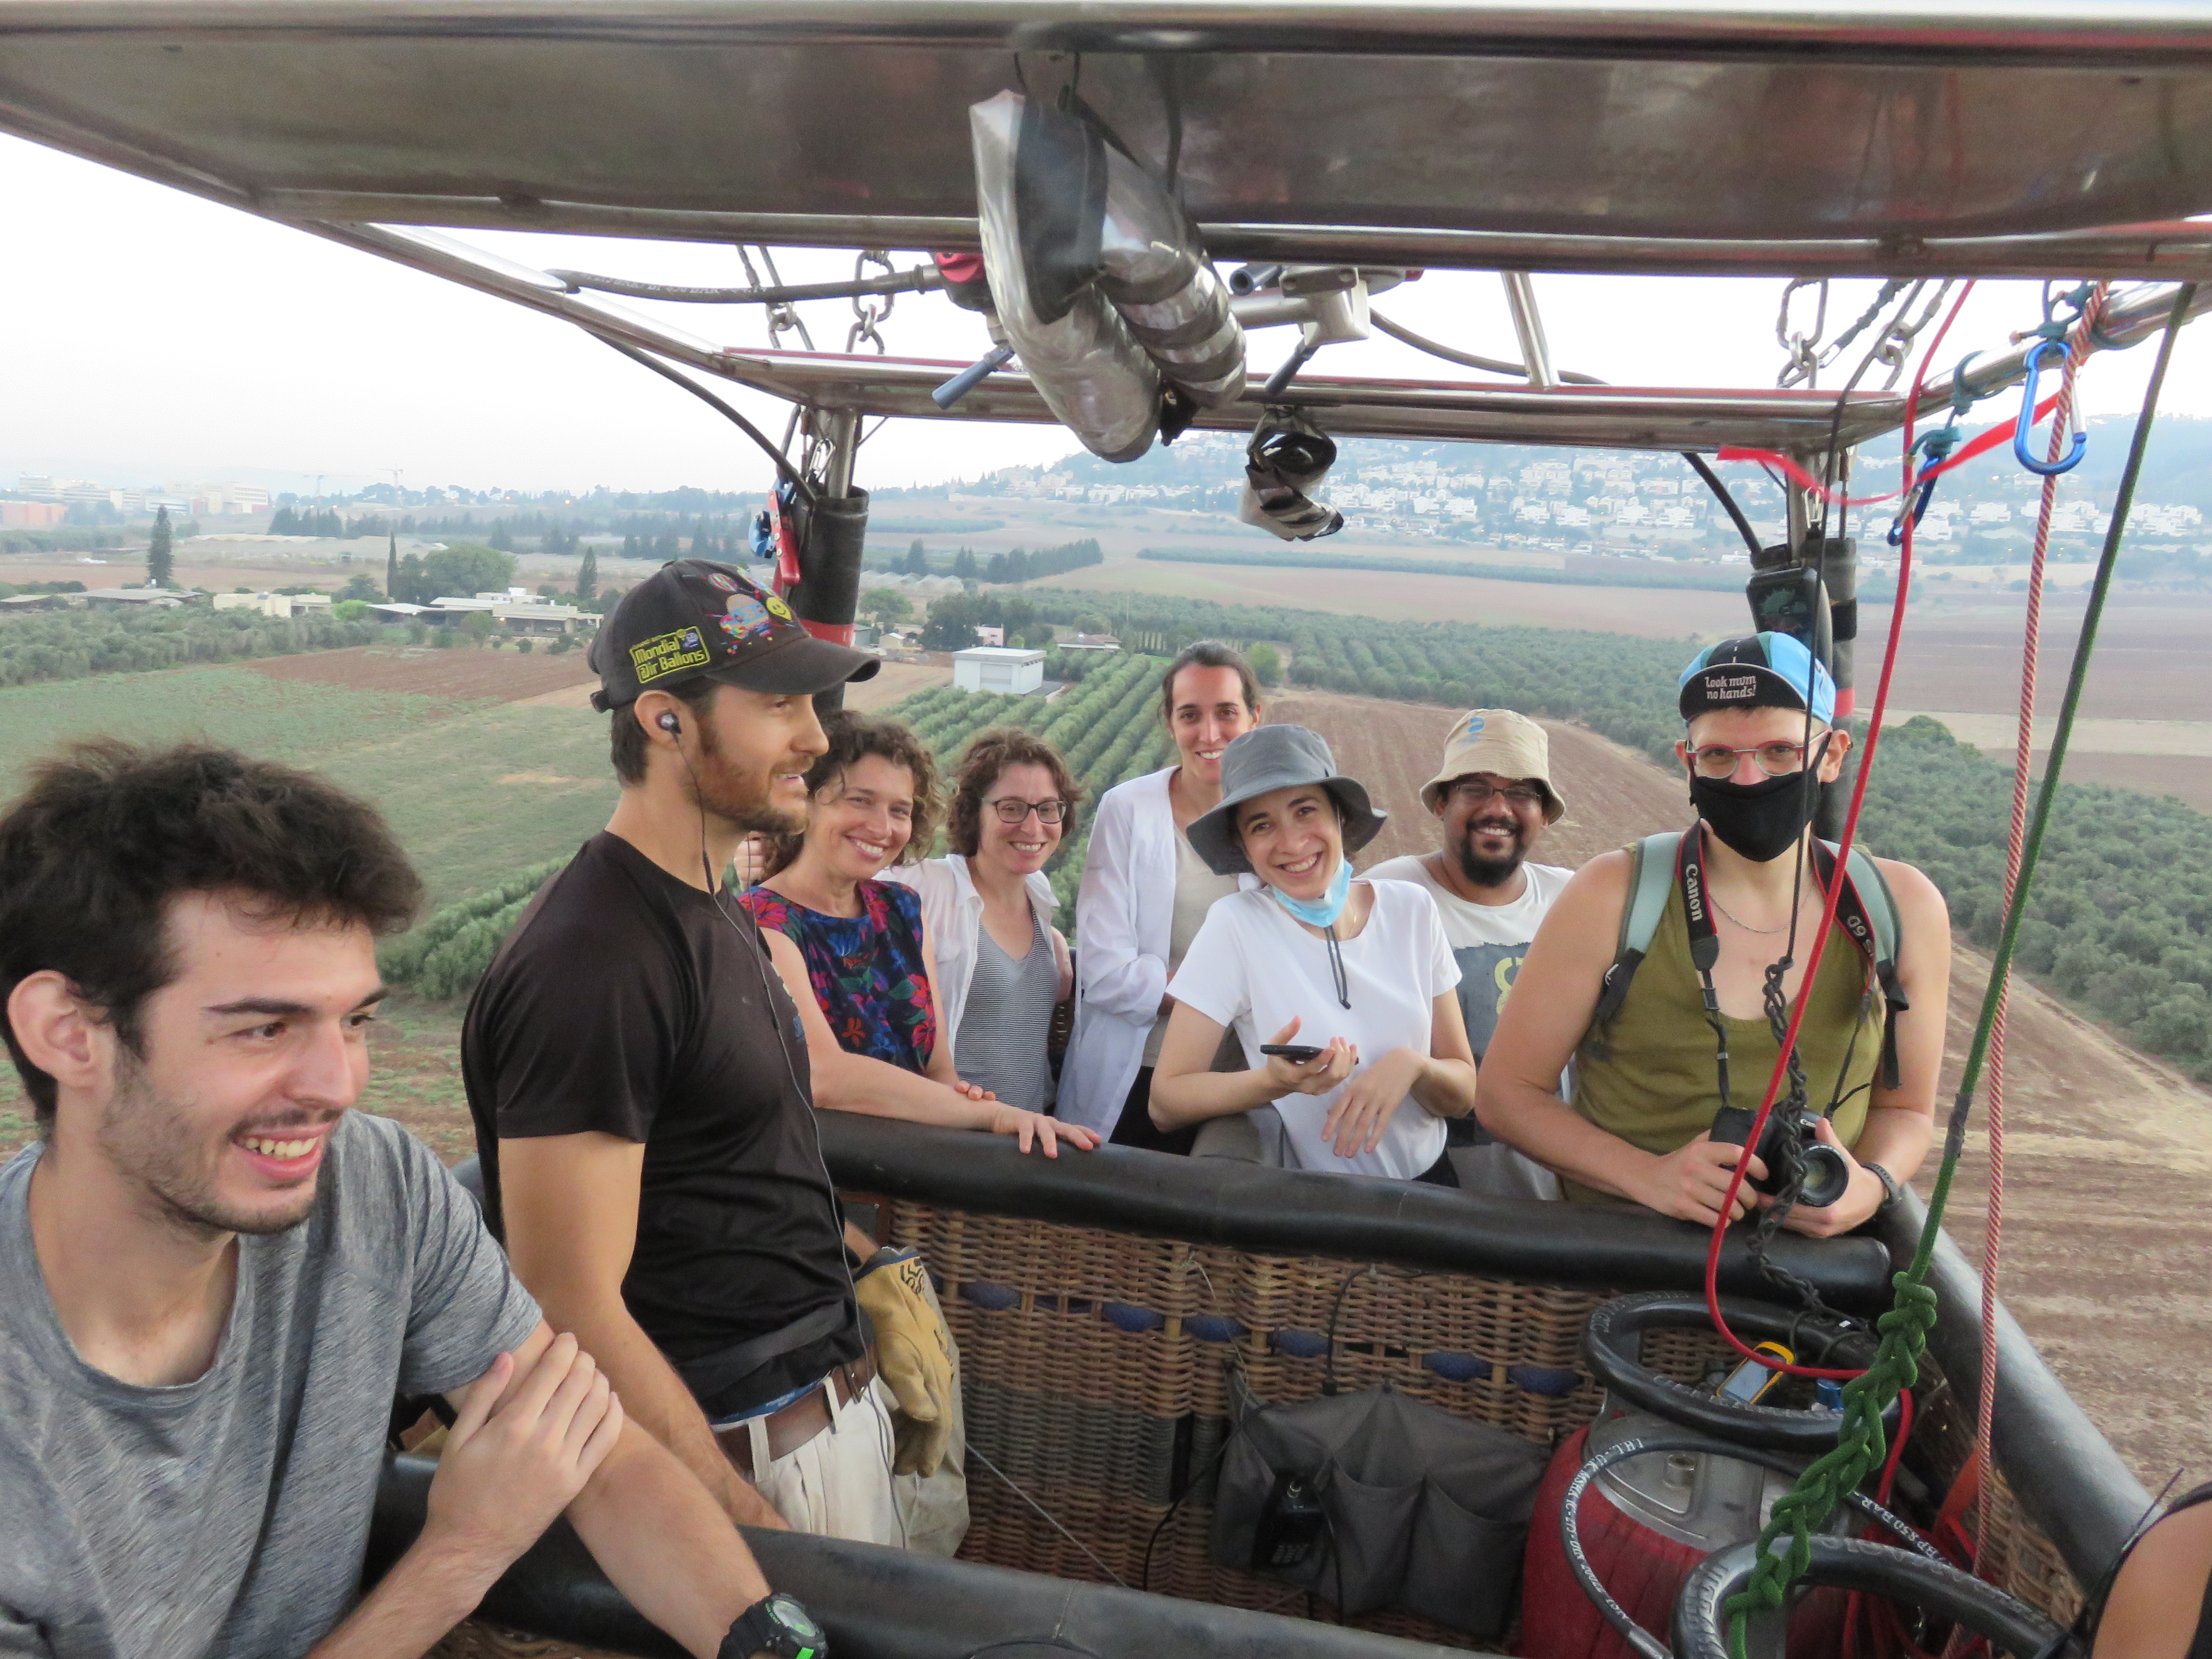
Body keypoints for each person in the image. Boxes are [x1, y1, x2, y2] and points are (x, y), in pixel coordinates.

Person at [0, 741, 799, 1659]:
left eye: (354, 1021)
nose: (337, 1085)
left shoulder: (372, 1183)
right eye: (264, 1028)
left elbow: (600, 1454)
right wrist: (460, 1553)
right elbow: (491, 1524)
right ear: (70, 1035)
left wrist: (778, 1650)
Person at [463, 560, 961, 1554]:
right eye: (778, 705)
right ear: (666, 720)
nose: (814, 738)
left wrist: (864, 1265)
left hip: (813, 1423)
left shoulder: (712, 908)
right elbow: (567, 1299)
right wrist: (745, 1526)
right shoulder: (595, 961)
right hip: (743, 1463)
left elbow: (736, 1157)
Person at [1477, 633, 1951, 1234]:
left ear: (1832, 756)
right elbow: (1508, 1094)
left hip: (1818, 1266)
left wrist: (1871, 1184)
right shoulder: (1613, 896)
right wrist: (1646, 1176)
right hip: (1625, 1250)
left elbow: (1907, 1110)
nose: (1750, 780)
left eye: (1780, 752)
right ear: (1688, 762)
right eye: (1721, 756)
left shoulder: (1900, 908)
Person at [741, 712, 1093, 1153]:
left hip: (919, 1162)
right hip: (824, 1165)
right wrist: (993, 1115)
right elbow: (823, 1075)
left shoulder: (901, 908)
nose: (882, 827)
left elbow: (939, 1068)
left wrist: (966, 1121)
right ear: (805, 802)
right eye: (860, 800)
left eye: (899, 810)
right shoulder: (762, 922)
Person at [1148, 724, 1480, 1182]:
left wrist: (1413, 1066)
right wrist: (1272, 1083)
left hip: (1430, 1189)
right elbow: (1165, 1103)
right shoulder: (1236, 927)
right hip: (1320, 1204)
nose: (1291, 843)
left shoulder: (1412, 911)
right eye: (1262, 825)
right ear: (1244, 846)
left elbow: (1463, 1092)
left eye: (1305, 811)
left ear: (1339, 817)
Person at [1061, 641, 1264, 1149]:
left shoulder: (1276, 820)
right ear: (1169, 723)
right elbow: (1105, 973)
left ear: (1255, 718)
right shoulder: (1127, 810)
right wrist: (1224, 998)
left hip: (1241, 1080)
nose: (1210, 734)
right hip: (1138, 1072)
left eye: (1227, 712)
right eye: (1190, 715)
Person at [1364, 708, 1572, 1198]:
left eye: (1521, 793)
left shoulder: (1573, 901)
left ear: (1543, 813)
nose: (1498, 809)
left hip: (1555, 1197)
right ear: (1442, 803)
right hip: (1426, 1198)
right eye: (1476, 789)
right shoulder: (1388, 896)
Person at [885, 727, 1082, 1114]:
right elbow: (837, 893)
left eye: (1047, 808)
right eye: (1011, 808)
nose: (1033, 827)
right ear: (973, 812)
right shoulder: (926, 886)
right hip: (954, 1131)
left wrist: (1056, 944)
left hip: (1030, 1127)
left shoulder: (1038, 894)